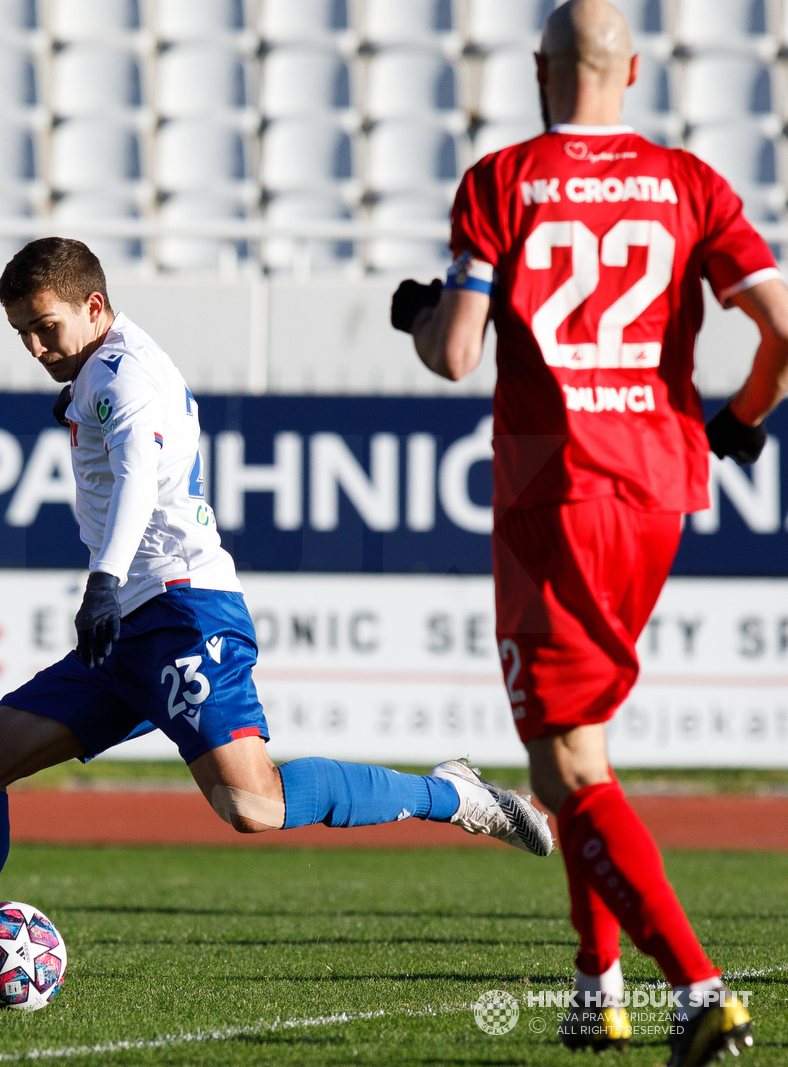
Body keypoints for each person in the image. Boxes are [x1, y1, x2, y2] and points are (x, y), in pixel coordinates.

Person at [0, 236, 554, 1008]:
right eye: (22, 333)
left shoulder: (124, 375)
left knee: (253, 804)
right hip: (132, 627)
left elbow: (141, 476)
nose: (36, 346)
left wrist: (104, 581)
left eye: (46, 326)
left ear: (95, 307)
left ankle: (450, 794)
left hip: (181, 612)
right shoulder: (101, 367)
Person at [392, 2, 782, 1063]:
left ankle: (697, 986)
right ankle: (594, 982)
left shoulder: (500, 180)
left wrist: (420, 314)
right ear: (634, 68)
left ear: (538, 68)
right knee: (581, 746)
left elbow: (457, 354)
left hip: (552, 492)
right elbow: (782, 326)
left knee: (564, 766)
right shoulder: (690, 183)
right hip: (660, 490)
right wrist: (741, 418)